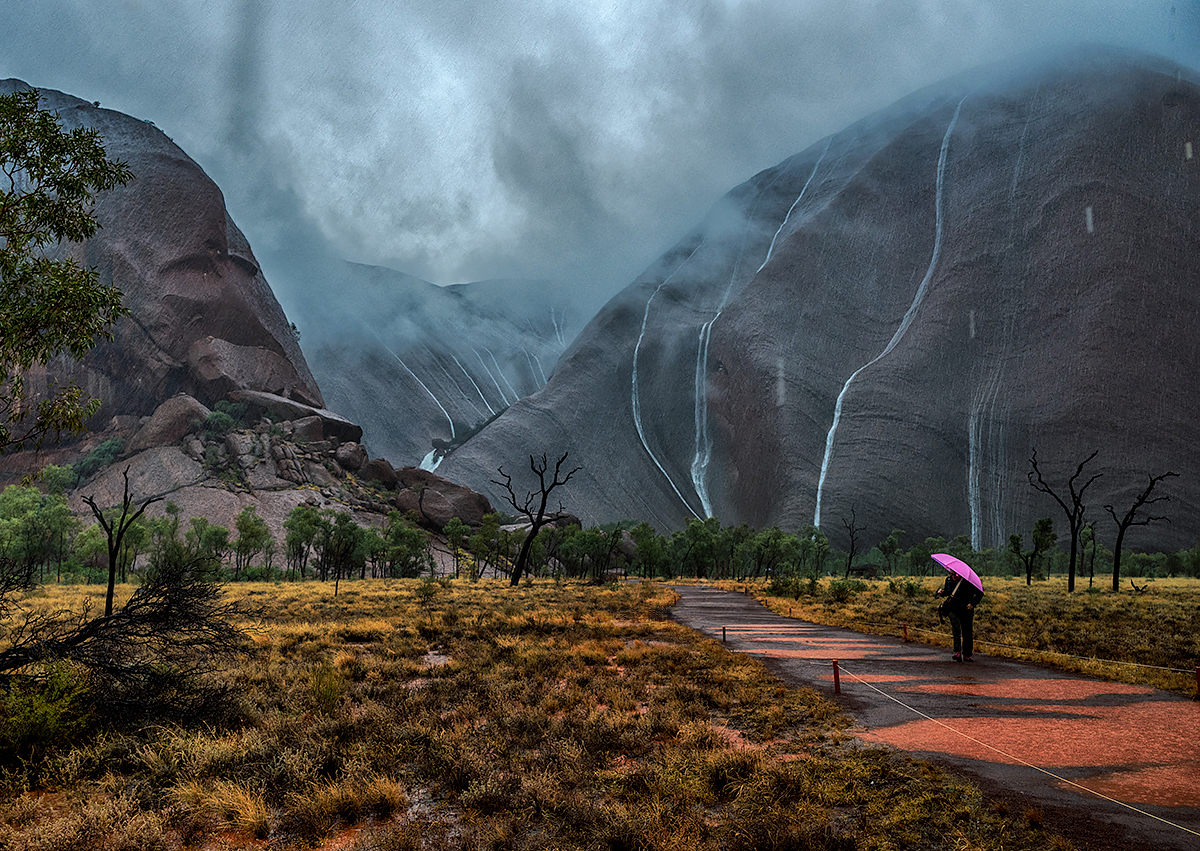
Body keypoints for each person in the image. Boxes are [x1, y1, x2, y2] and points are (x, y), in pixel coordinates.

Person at [936, 571, 983, 661]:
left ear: (960, 574)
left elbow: (980, 594)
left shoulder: (969, 582)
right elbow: (948, 591)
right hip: (953, 609)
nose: (953, 576)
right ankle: (957, 652)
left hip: (966, 610)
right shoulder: (949, 580)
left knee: (967, 631)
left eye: (955, 574)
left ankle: (967, 654)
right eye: (951, 574)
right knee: (956, 629)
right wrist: (942, 592)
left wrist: (972, 603)